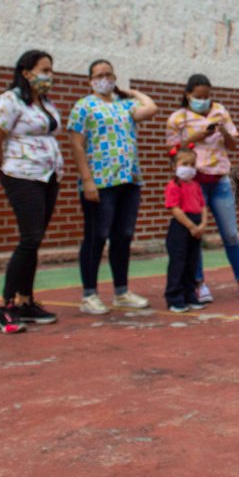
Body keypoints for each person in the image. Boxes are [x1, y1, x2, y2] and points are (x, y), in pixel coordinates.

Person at [165, 74, 239, 302]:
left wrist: (222, 132)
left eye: (207, 96)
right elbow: (172, 151)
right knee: (196, 234)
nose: (204, 100)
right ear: (187, 95)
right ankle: (198, 283)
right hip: (194, 182)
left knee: (231, 234)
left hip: (219, 180)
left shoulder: (219, 110)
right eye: (198, 96)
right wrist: (196, 136)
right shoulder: (177, 118)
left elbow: (233, 144)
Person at [69, 59, 158, 315]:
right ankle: (89, 294)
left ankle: (121, 292)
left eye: (109, 74)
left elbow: (151, 108)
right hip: (100, 182)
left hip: (129, 180)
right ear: (90, 80)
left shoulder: (125, 105)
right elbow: (76, 144)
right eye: (99, 74)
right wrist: (87, 180)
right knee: (97, 236)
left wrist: (132, 92)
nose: (105, 78)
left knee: (123, 236)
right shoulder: (83, 106)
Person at [0, 50, 63, 334]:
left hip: (48, 176)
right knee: (29, 238)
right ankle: (5, 308)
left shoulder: (45, 103)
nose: (49, 76)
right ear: (26, 72)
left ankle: (26, 301)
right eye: (44, 70)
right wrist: (0, 174)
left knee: (36, 239)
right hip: (21, 175)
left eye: (51, 70)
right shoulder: (9, 101)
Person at [163, 148, 210, 313]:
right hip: (181, 227)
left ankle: (191, 295)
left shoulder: (196, 185)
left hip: (196, 227)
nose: (189, 168)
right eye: (184, 164)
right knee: (178, 263)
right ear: (174, 166)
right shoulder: (173, 186)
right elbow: (175, 209)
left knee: (192, 262)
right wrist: (191, 226)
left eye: (192, 164)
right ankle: (174, 297)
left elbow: (203, 205)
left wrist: (203, 223)